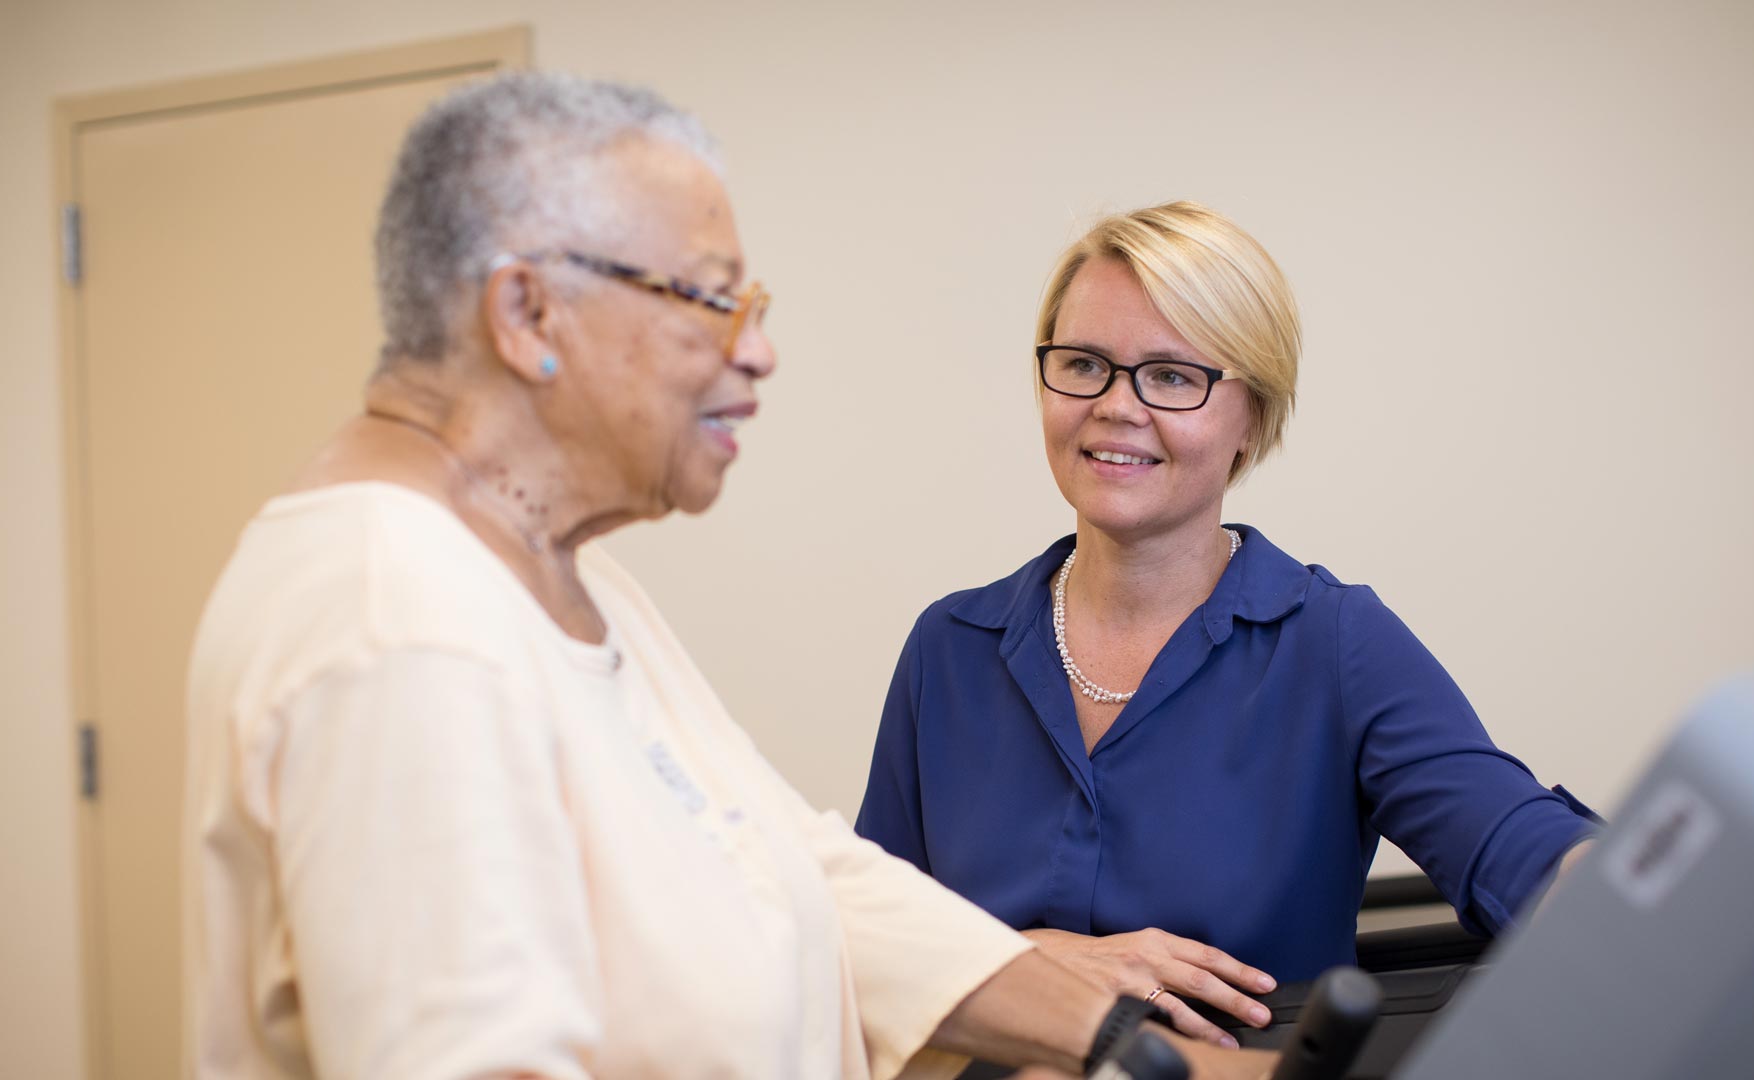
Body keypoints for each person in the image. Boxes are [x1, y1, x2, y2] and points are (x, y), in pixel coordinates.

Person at [182, 76, 1272, 1078]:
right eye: (710, 301)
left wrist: (1131, 1047)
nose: (757, 353)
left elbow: (799, 873)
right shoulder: (395, 621)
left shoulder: (565, 572)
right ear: (528, 315)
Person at [854, 201, 1601, 1047]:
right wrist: (1030, 961)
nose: (1116, 405)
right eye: (1084, 364)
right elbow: (866, 949)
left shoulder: (1335, 644)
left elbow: (1519, 846)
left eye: (1173, 376)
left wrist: (1647, 894)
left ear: (1253, 416)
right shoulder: (949, 650)